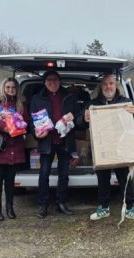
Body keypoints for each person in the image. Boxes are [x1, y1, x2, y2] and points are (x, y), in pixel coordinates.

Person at [78, 74, 134, 221]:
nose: (108, 87)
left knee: (126, 178)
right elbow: (79, 123)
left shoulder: (125, 101)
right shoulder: (92, 104)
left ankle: (130, 208)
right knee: (103, 179)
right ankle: (103, 207)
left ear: (116, 86)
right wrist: (84, 117)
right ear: (101, 87)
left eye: (111, 84)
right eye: (105, 84)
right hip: (102, 148)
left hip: (121, 147)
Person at [30, 70, 80, 219]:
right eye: (49, 80)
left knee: (64, 174)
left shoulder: (69, 97)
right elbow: (32, 122)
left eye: (55, 80)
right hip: (46, 142)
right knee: (44, 174)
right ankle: (42, 205)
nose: (52, 83)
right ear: (45, 83)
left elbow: (78, 116)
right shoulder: (37, 98)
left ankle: (61, 203)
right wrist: (35, 132)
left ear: (60, 81)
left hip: (65, 141)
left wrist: (73, 117)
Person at [0, 77, 28, 221]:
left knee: (10, 180)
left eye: (13, 88)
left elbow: (26, 121)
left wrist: (20, 125)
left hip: (15, 146)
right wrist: (3, 125)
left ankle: (9, 207)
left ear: (17, 90)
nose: (10, 90)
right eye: (8, 87)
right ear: (3, 87)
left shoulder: (20, 104)